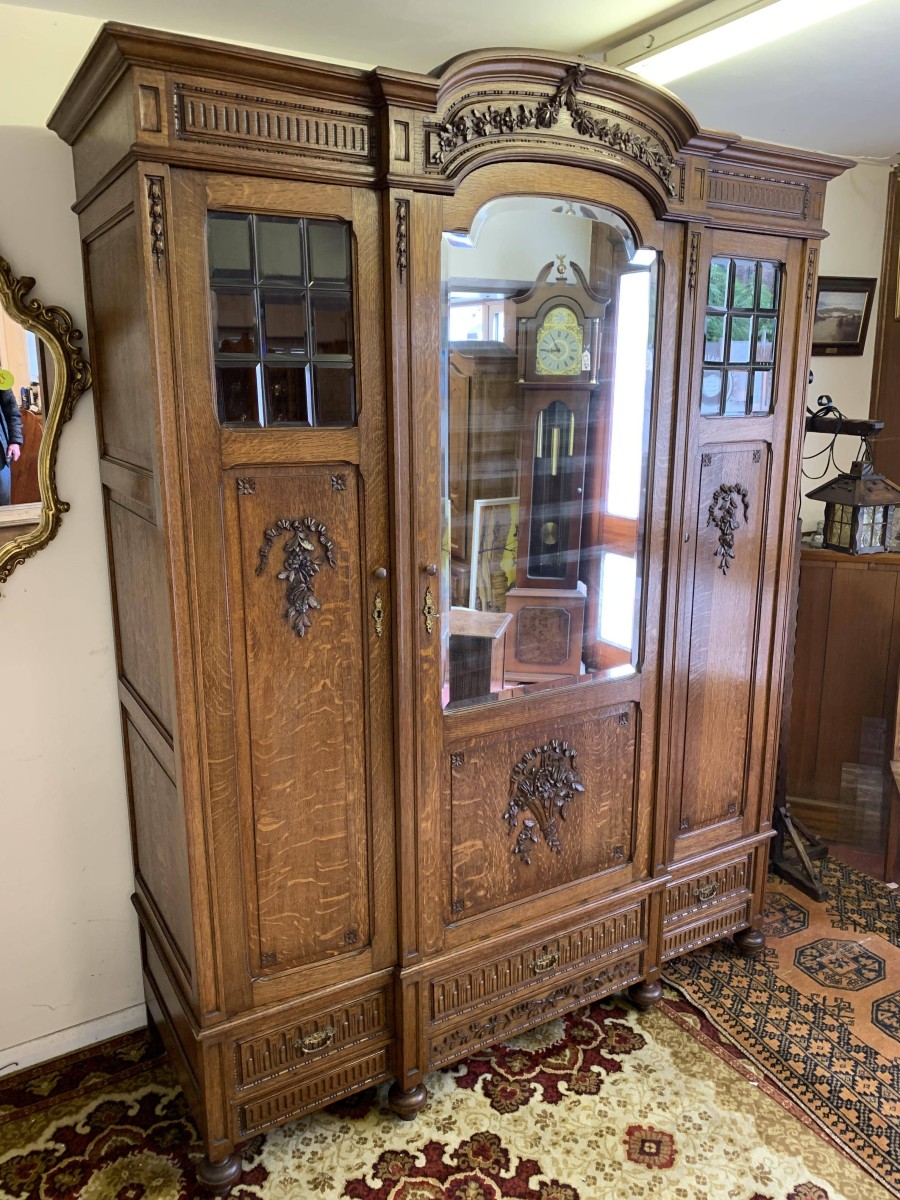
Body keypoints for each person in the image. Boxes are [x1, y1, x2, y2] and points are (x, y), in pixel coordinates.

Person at [0, 382, 23, 506]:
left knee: (2, 499)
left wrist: (15, 441)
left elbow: (12, 412)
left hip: (0, 452)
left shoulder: (1, 378)